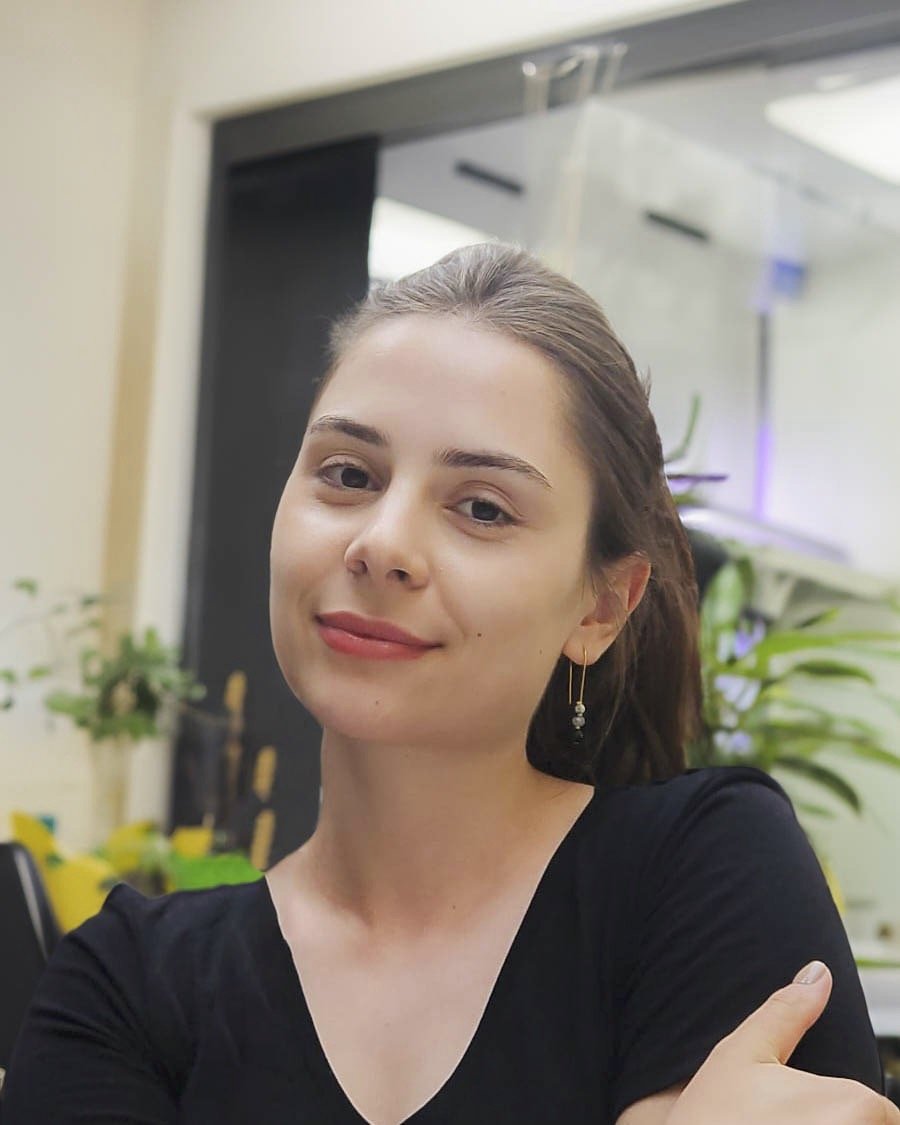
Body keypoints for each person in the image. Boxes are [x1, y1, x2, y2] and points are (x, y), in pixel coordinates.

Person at [3, 244, 895, 1125]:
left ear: (602, 607)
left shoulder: (703, 873)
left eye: (482, 507)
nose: (382, 543)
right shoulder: (123, 986)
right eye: (349, 474)